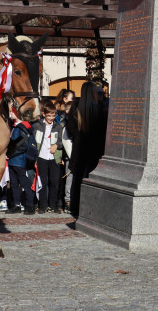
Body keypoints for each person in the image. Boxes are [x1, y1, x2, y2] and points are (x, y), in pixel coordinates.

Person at [70, 80, 108, 218]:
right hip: (94, 148)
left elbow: (70, 130)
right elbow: (102, 131)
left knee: (77, 178)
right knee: (93, 178)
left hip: (79, 148)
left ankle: (75, 208)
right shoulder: (99, 108)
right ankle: (92, 208)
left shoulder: (75, 108)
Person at [31, 99, 69, 214]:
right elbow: (33, 143)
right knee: (43, 182)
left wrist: (56, 145)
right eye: (49, 116)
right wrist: (35, 158)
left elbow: (62, 141)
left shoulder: (57, 127)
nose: (51, 118)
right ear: (43, 114)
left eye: (53, 115)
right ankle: (42, 205)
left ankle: (53, 205)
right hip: (42, 157)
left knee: (55, 182)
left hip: (54, 158)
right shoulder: (37, 126)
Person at [6, 111, 39, 215]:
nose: (10, 112)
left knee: (25, 183)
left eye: (12, 111)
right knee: (14, 184)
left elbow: (22, 146)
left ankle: (30, 205)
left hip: (18, 160)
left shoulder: (21, 127)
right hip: (13, 160)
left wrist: (10, 154)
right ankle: (17, 205)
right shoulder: (16, 126)